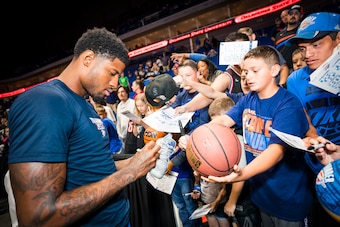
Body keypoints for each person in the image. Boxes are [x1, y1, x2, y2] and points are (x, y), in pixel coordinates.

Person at [6, 27, 161, 227]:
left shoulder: (85, 104)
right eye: (112, 73)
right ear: (88, 59)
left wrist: (135, 163)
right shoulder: (44, 102)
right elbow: (38, 217)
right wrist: (129, 174)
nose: (115, 84)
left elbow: (89, 169)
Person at [208, 46, 314, 226]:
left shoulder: (288, 104)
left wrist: (242, 174)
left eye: (254, 71)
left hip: (288, 198)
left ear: (274, 70)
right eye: (246, 72)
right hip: (262, 196)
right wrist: (196, 136)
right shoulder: (249, 99)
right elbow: (224, 120)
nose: (248, 76)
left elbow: (277, 151)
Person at [285, 12, 340, 227]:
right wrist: (313, 139)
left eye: (316, 45)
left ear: (338, 39)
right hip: (321, 171)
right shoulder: (295, 80)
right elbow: (307, 125)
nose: (308, 54)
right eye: (303, 48)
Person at [167, 59, 210, 227]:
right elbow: (171, 116)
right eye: (181, 76)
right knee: (183, 206)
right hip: (183, 151)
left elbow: (203, 127)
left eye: (188, 75)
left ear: (198, 74)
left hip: (201, 153)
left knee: (200, 204)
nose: (184, 79)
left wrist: (172, 161)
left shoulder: (205, 95)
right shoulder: (181, 95)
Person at [275, 4, 304, 70]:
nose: (293, 16)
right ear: (287, 17)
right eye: (290, 14)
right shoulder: (278, 35)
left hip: (299, 68)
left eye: (296, 13)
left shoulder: (302, 31)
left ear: (301, 15)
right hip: (283, 70)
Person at [116, 85, 135, 152]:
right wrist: (120, 134)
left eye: (122, 92)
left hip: (131, 135)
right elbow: (119, 121)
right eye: (118, 92)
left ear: (127, 93)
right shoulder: (119, 106)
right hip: (122, 136)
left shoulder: (132, 103)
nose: (120, 94)